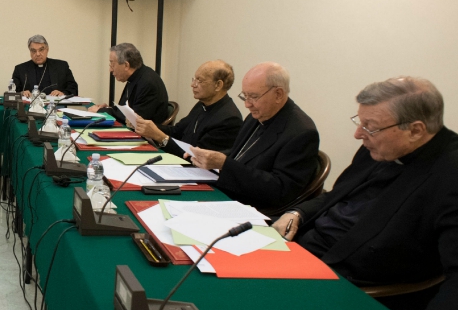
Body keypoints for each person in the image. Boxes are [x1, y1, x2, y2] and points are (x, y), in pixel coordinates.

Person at [272, 77, 458, 310]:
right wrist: (297, 211)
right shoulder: (380, 144)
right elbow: (335, 196)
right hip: (299, 254)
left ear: (415, 130)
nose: (359, 135)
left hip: (350, 290)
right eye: (360, 122)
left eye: (370, 127)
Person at [189, 62, 319, 213]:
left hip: (253, 208)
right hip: (228, 192)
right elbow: (241, 155)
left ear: (278, 94)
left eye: (253, 96)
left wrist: (224, 164)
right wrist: (209, 157)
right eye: (245, 96)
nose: (247, 104)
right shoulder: (256, 116)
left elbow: (280, 189)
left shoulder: (302, 133)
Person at [129, 60, 242, 158]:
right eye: (194, 79)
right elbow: (177, 131)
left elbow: (198, 158)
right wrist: (143, 125)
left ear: (218, 85)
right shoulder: (202, 105)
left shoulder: (229, 119)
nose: (193, 85)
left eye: (199, 81)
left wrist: (159, 136)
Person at [88, 43, 169, 124]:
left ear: (126, 65)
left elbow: (134, 119)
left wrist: (102, 111)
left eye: (112, 64)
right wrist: (109, 109)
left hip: (142, 135)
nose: (110, 70)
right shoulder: (136, 77)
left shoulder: (148, 82)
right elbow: (126, 110)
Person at [11, 35, 79, 98]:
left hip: (56, 107)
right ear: (30, 52)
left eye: (41, 50)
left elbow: (73, 89)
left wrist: (63, 93)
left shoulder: (61, 66)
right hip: (28, 108)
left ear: (47, 49)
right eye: (33, 51)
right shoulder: (20, 69)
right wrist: (22, 93)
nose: (37, 54)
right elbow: (13, 93)